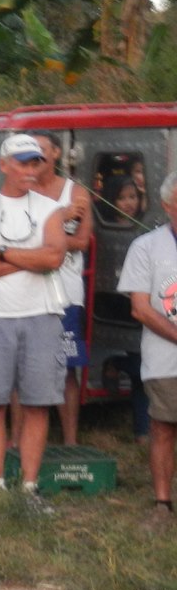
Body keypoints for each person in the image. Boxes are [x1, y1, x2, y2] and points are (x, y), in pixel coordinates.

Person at [0, 133, 67, 502]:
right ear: (3, 165)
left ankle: (29, 485)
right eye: (23, 162)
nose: (30, 169)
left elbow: (54, 258)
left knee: (38, 402)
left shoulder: (50, 210)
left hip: (42, 315)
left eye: (36, 162)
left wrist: (1, 252)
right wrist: (28, 260)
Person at [117, 170, 177, 520]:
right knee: (163, 427)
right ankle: (162, 504)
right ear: (168, 206)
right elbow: (140, 308)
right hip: (165, 359)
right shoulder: (146, 247)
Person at [30, 132, 93, 445]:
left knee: (65, 368)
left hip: (65, 294)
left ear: (56, 153)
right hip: (26, 292)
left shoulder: (76, 192)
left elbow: (81, 242)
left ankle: (70, 442)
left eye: (41, 149)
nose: (34, 156)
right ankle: (19, 440)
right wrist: (58, 224)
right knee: (22, 368)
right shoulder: (22, 191)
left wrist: (38, 235)